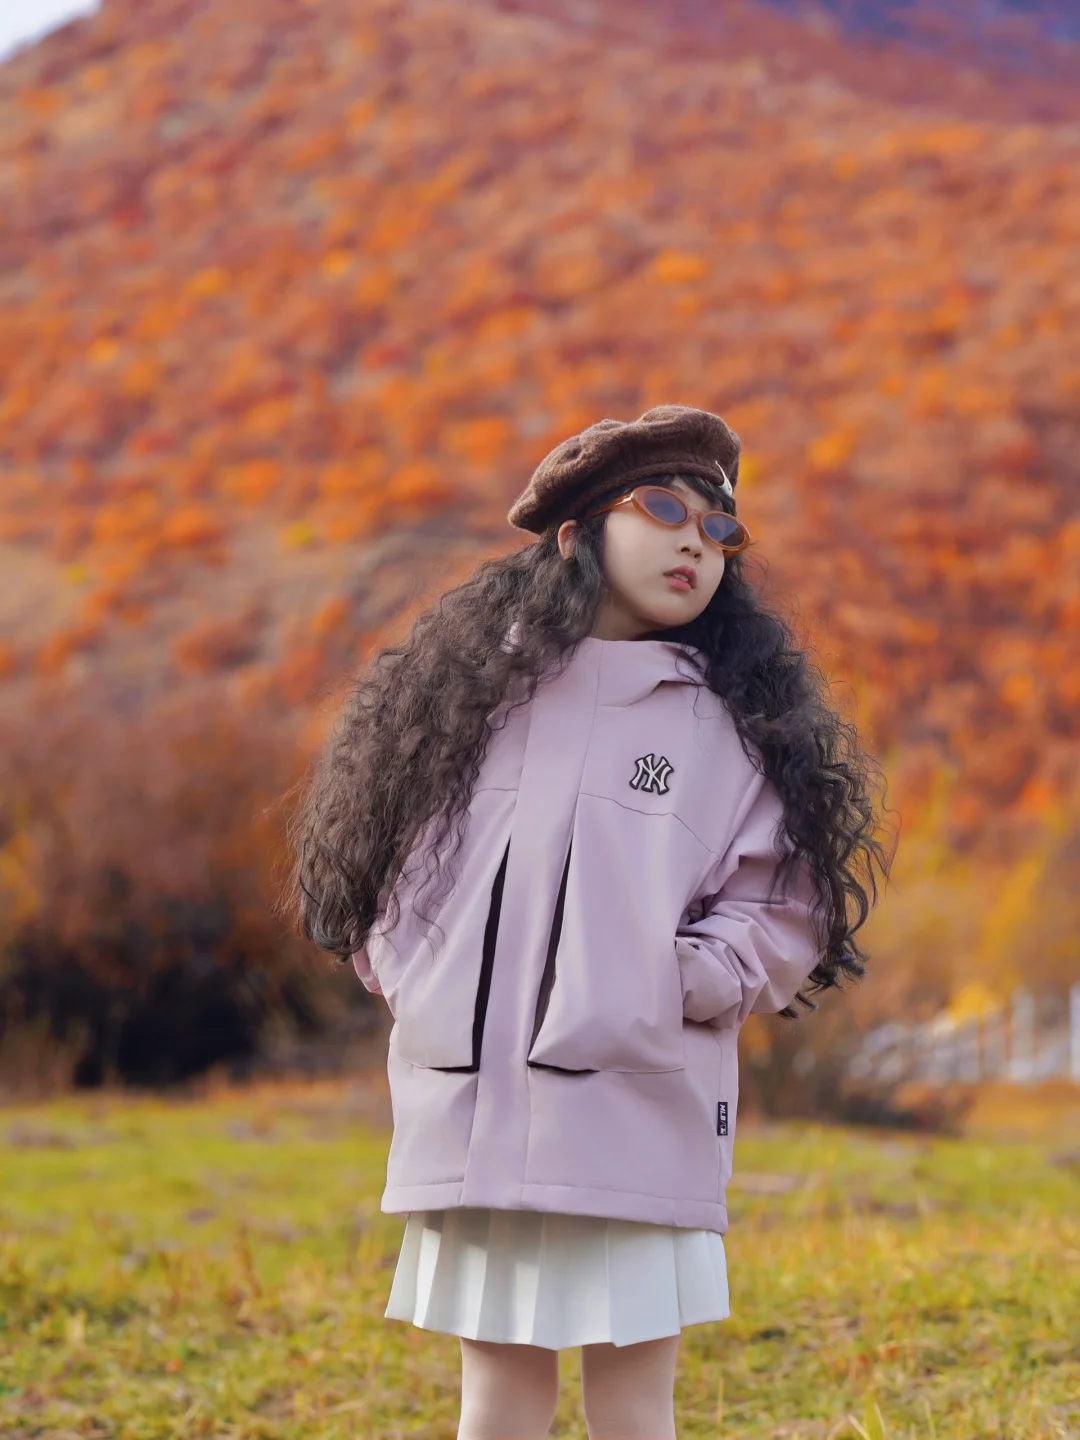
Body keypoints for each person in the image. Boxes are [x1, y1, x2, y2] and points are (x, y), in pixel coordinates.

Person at [286, 404, 891, 1439]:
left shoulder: (728, 726)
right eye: (665, 510)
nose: (697, 543)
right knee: (498, 1401)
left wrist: (676, 981)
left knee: (633, 1405)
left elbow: (784, 902)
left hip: (637, 1106)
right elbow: (388, 872)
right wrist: (422, 980)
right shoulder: (467, 702)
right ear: (575, 533)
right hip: (473, 1112)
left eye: (721, 529)